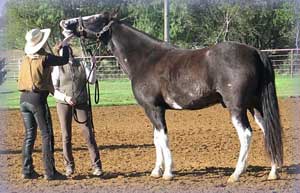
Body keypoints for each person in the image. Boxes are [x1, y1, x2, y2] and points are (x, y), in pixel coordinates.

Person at [18, 28, 71, 180]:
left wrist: (55, 49)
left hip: (23, 99)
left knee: (30, 135)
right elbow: (64, 60)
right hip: (37, 100)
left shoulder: (26, 59)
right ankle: (50, 171)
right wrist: (65, 45)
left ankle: (26, 170)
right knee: (46, 135)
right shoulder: (45, 58)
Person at [51, 44, 103, 178]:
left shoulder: (81, 64)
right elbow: (53, 89)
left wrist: (93, 66)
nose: (66, 53)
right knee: (66, 136)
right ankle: (69, 166)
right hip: (64, 103)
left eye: (67, 51)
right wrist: (65, 98)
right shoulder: (58, 67)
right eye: (63, 52)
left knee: (88, 133)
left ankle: (96, 166)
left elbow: (92, 81)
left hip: (81, 102)